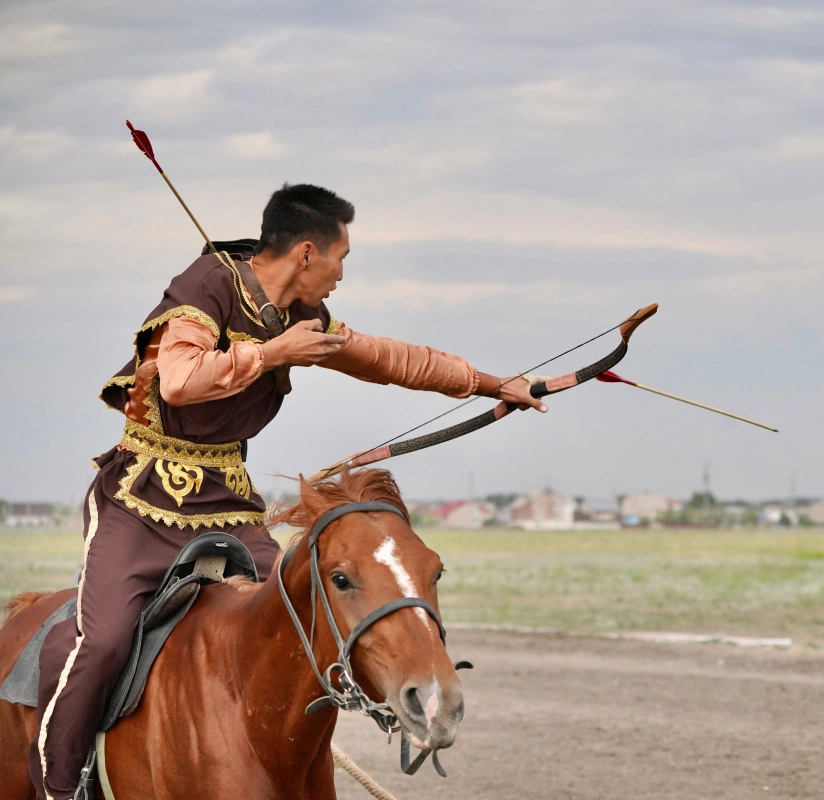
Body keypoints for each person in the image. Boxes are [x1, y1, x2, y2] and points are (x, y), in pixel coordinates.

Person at [31, 183, 545, 800]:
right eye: (341, 258)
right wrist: (277, 350)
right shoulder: (203, 289)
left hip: (227, 501)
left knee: (298, 618)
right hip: (141, 500)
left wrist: (493, 385)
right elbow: (179, 382)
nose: (341, 274)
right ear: (306, 252)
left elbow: (390, 358)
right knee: (104, 639)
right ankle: (59, 785)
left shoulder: (305, 317)